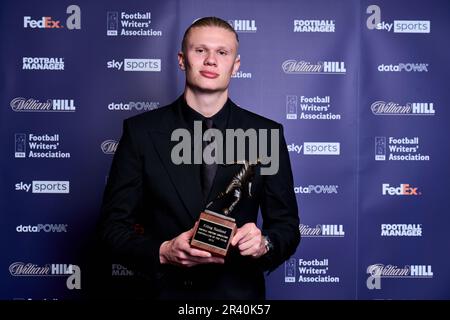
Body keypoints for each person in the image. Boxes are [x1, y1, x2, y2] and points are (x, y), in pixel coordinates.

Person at [98, 16, 300, 300]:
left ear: (235, 65)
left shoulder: (266, 133)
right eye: (200, 50)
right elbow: (112, 228)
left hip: (237, 298)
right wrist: (164, 252)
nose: (211, 60)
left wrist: (265, 243)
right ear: (182, 60)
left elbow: (287, 227)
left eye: (222, 52)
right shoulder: (141, 132)